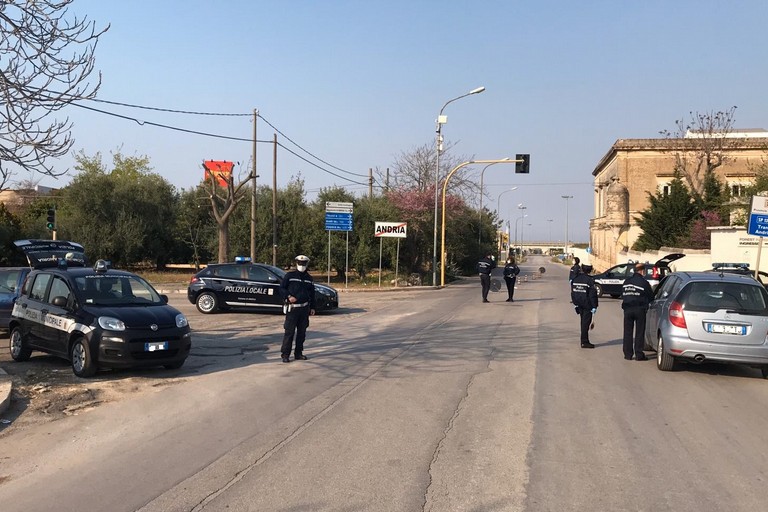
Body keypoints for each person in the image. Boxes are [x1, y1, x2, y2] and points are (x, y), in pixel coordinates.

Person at [278, 254, 316, 363]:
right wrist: (289, 296)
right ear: (296, 263)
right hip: (293, 309)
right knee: (289, 332)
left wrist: (313, 307)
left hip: (304, 309)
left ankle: (298, 353)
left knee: (301, 333)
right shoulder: (290, 276)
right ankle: (285, 354)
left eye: (304, 263)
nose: (302, 265)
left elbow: (312, 294)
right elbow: (281, 289)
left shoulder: (309, 278)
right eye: (300, 263)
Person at [621, 262, 654, 361]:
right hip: (640, 310)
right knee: (639, 332)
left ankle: (628, 354)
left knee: (627, 332)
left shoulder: (626, 281)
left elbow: (622, 294)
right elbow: (651, 297)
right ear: (642, 271)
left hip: (627, 309)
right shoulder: (644, 283)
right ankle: (639, 354)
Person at [570, 263, 598, 348]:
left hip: (579, 304)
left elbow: (573, 293)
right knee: (585, 324)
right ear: (590, 270)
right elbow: (592, 295)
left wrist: (575, 304)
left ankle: (584, 340)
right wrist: (594, 306)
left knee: (583, 322)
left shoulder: (575, 279)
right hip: (587, 305)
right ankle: (584, 342)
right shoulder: (590, 280)